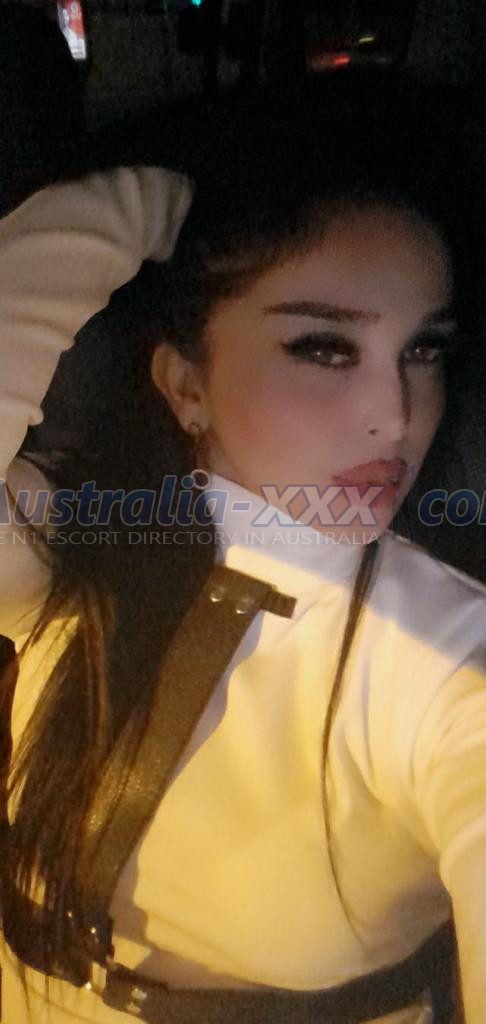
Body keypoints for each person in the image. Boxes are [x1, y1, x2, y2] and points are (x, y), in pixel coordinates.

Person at [0, 83, 485, 1024]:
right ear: (186, 386)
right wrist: (137, 206)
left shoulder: (446, 658)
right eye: (325, 348)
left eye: (424, 350)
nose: (396, 414)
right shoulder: (71, 548)